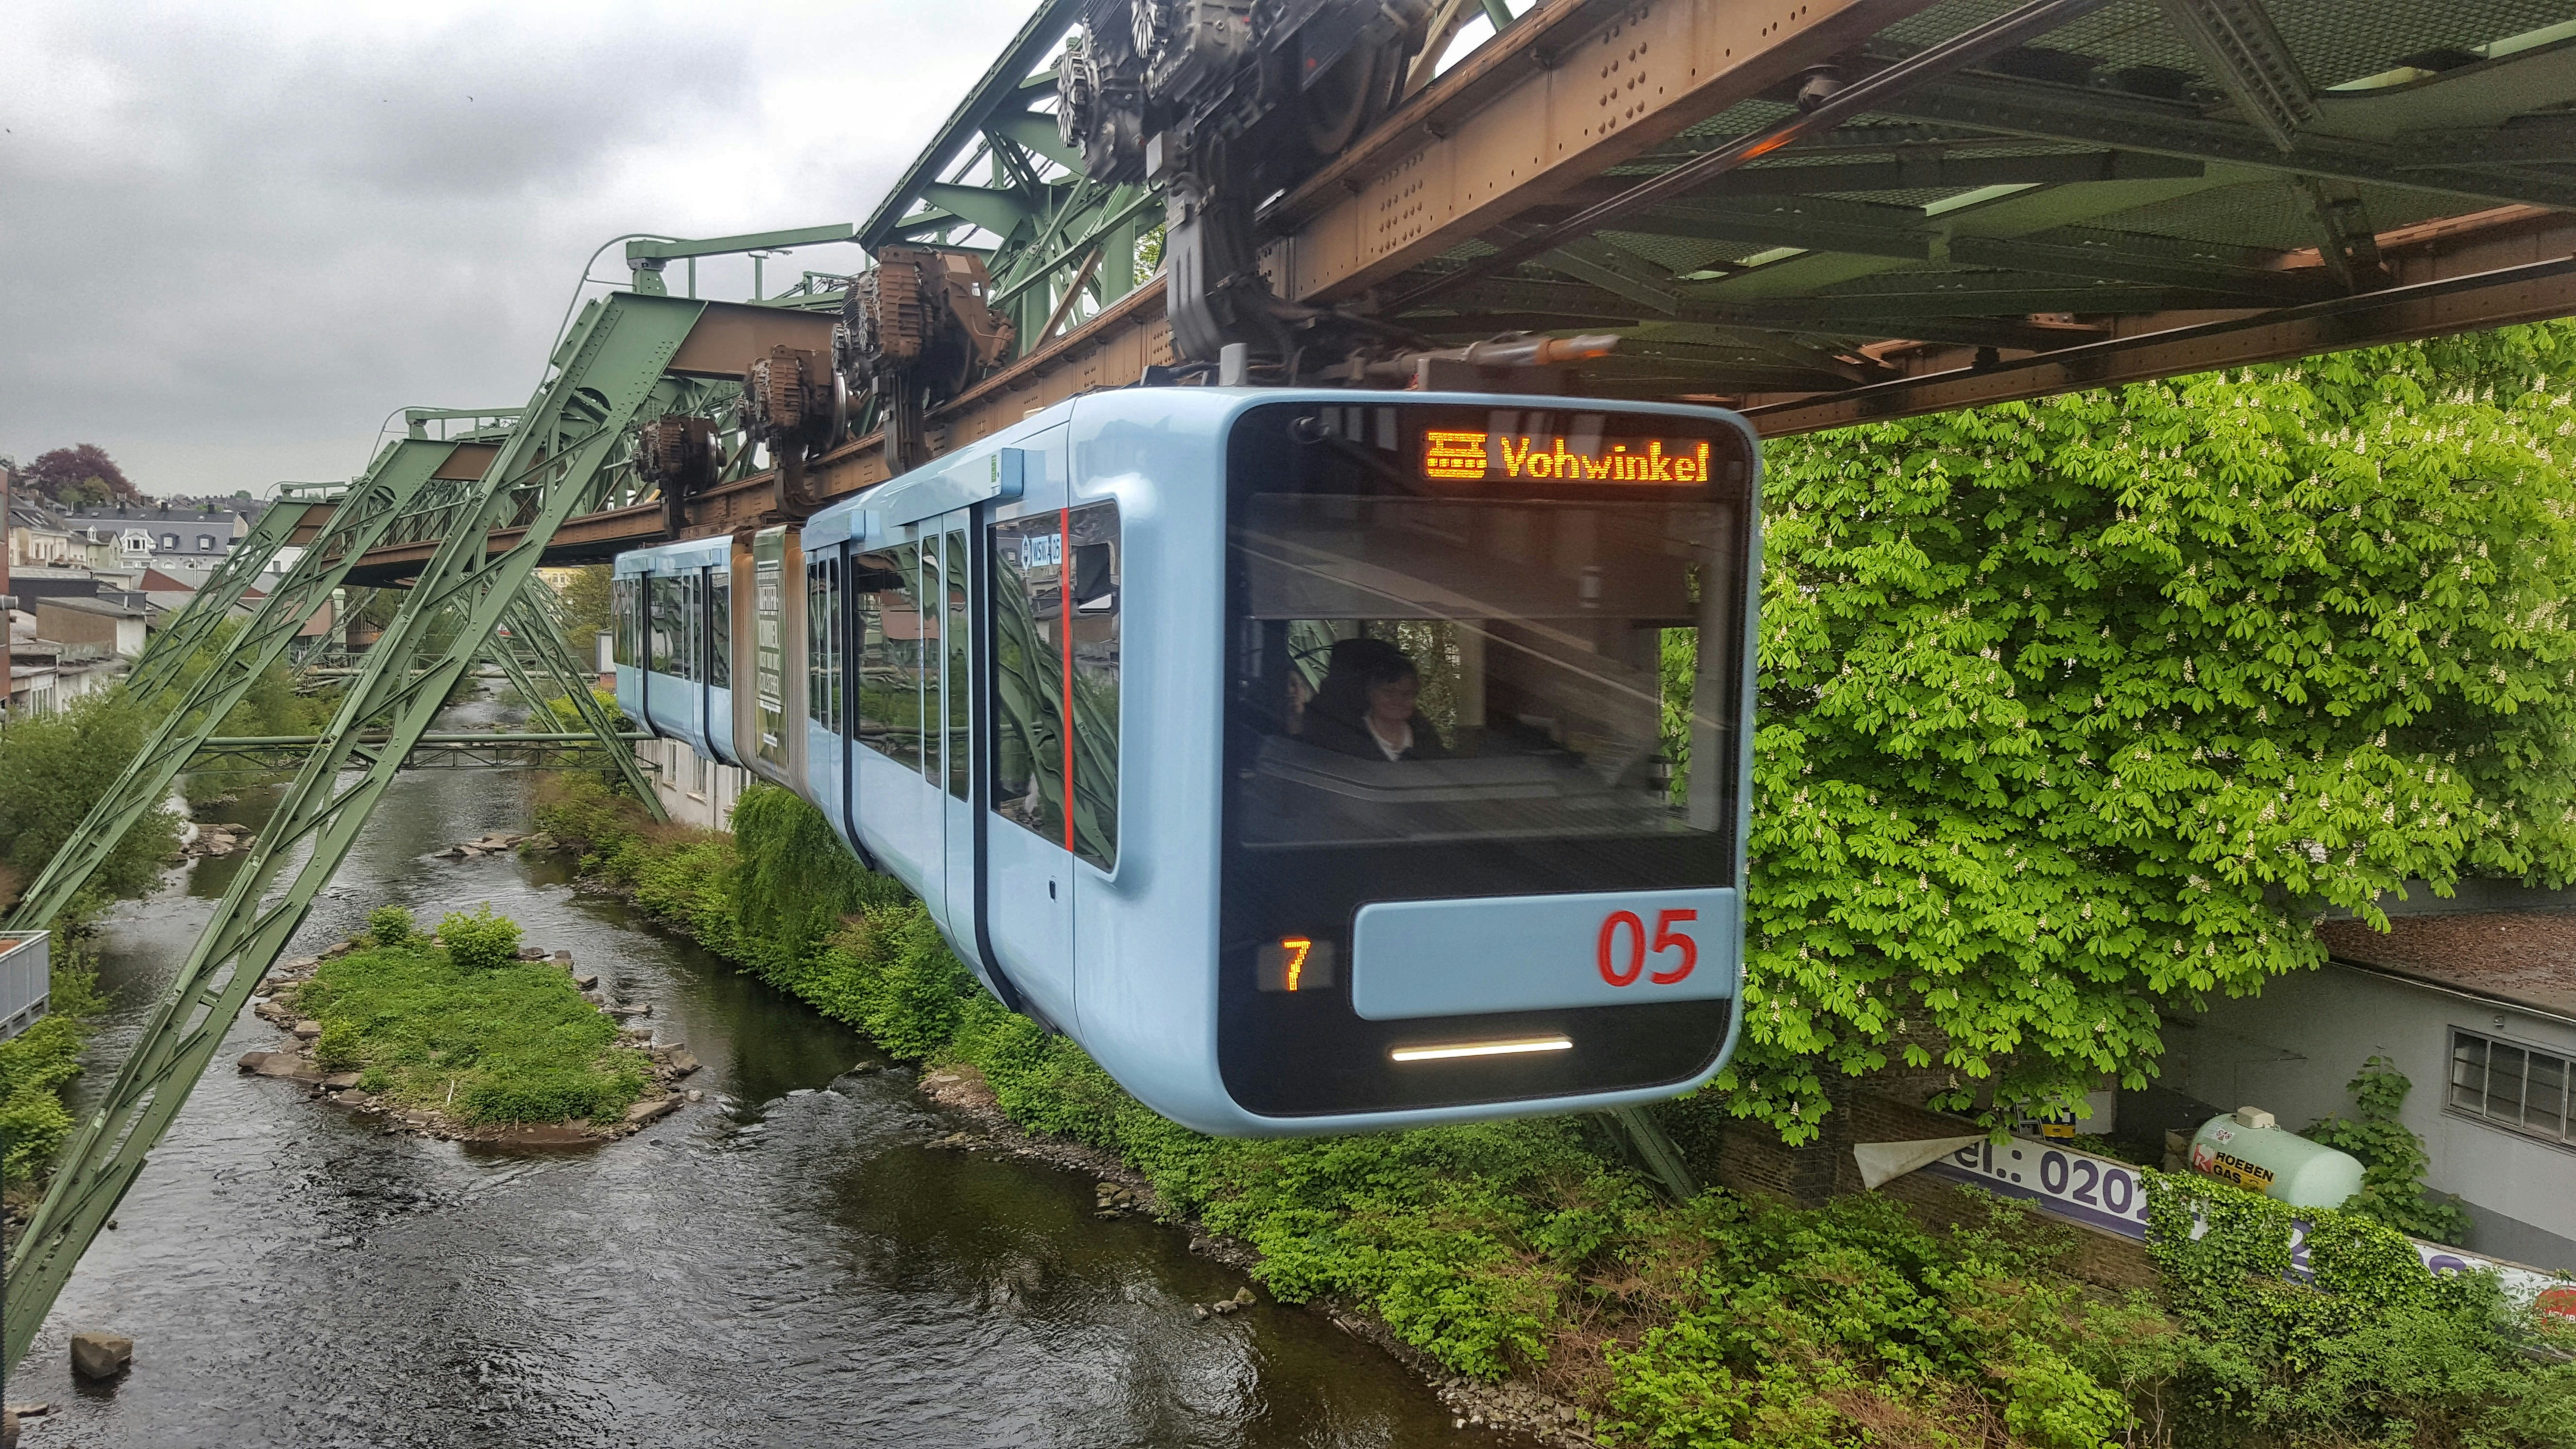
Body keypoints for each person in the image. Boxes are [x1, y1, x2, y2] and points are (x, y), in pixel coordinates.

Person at [1300, 635, 1448, 762]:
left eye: (1407, 694)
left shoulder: (1425, 735)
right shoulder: (1334, 735)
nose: (1398, 700)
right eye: (1388, 692)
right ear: (1369, 691)